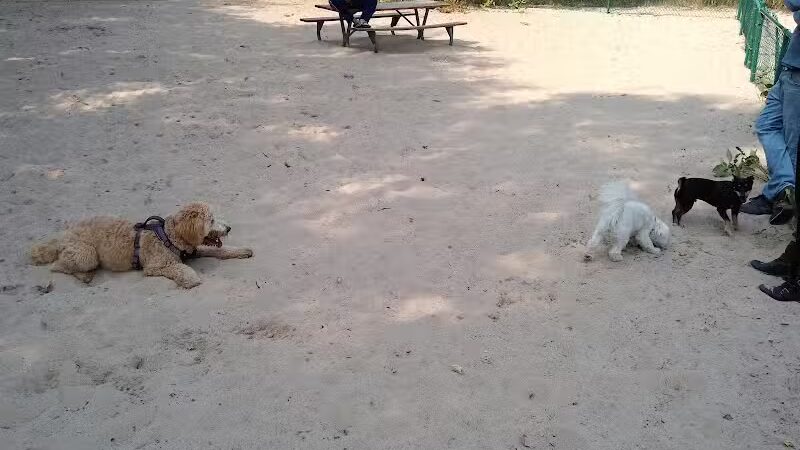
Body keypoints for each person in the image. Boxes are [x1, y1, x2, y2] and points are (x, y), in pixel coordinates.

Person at [740, 0, 800, 225]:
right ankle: (783, 186)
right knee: (766, 125)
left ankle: (781, 199)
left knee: (793, 142)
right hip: (790, 70)